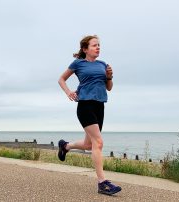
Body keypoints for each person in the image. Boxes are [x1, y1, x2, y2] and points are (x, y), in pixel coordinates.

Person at [58, 35, 122, 196]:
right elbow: (61, 79)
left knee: (89, 145)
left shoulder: (103, 64)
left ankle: (65, 146)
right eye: (94, 45)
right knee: (98, 142)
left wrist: (109, 76)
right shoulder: (78, 64)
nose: (98, 47)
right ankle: (102, 183)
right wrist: (68, 92)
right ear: (85, 49)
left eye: (99, 45)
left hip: (100, 106)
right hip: (85, 105)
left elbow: (109, 88)